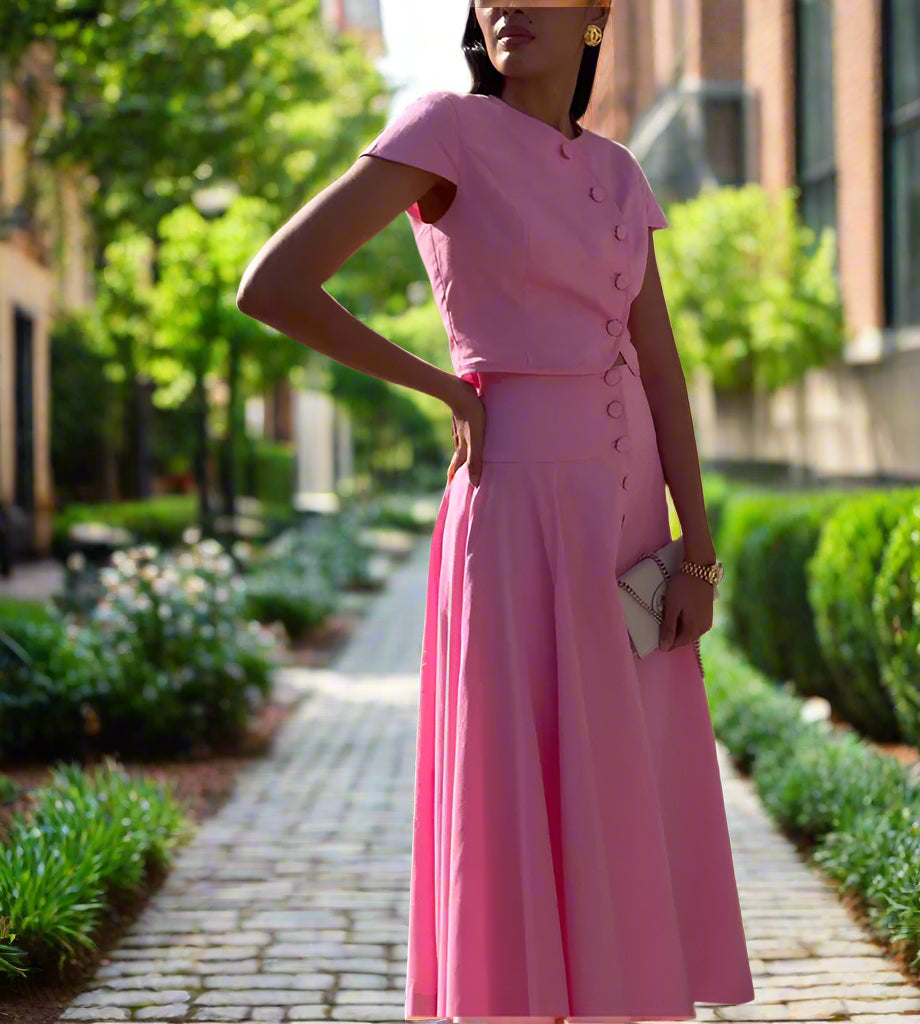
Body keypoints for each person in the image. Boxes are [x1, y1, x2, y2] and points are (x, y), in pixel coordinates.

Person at [237, 3, 756, 1022]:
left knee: (625, 783)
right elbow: (276, 283)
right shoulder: (445, 129)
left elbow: (658, 365)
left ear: (597, 17)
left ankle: (613, 995)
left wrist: (696, 550)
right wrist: (440, 384)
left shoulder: (619, 171)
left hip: (628, 516)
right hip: (516, 501)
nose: (508, 5)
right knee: (521, 774)